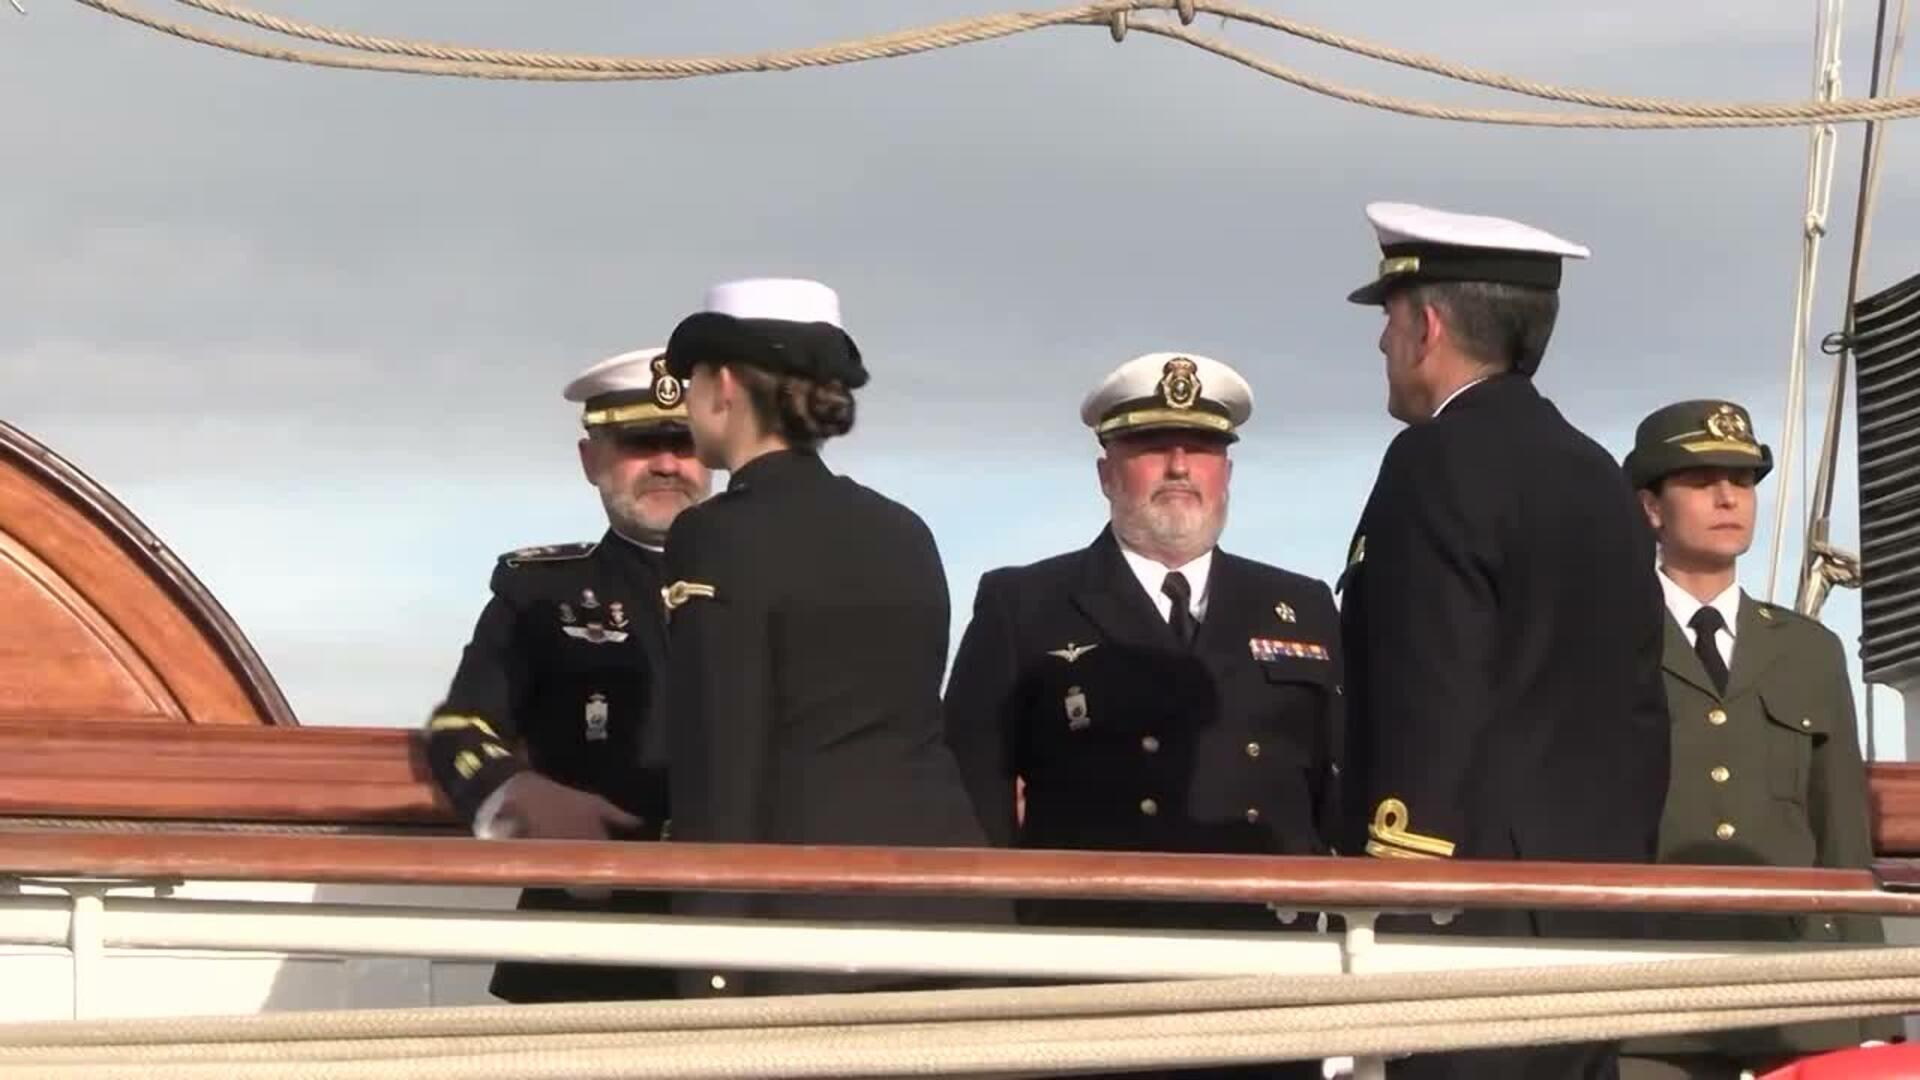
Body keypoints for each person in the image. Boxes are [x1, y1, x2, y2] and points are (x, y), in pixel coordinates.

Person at [1338, 202, 1670, 1080]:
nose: (1381, 345)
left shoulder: (1433, 463)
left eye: (1389, 320)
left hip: (1469, 915)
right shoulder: (1599, 474)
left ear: (1428, 327)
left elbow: (1429, 690)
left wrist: (1399, 881)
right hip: (1597, 912)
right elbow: (1640, 708)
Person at [942, 350, 1340, 1080]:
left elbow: (1335, 779)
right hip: (1094, 975)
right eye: (1153, 448)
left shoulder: (1302, 604)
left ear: (1229, 472)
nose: (1180, 467)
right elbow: (975, 793)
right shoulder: (1024, 605)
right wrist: (999, 955)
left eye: (1204, 450)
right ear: (1105, 473)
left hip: (1269, 978)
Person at [657, 277, 1009, 999]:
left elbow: (722, 762)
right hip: (951, 915)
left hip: (808, 931)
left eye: (690, 381)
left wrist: (709, 971)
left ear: (724, 385)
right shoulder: (902, 528)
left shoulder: (717, 534)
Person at [423, 345, 711, 1003]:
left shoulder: (781, 587)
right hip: (590, 938)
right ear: (592, 460)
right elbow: (460, 729)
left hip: (760, 936)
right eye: (640, 442)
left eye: (684, 441)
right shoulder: (543, 593)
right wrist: (519, 794)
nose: (666, 463)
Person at [1618, 399, 1894, 1079]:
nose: (1725, 497)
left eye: (1741, 482)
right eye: (1699, 479)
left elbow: (1842, 837)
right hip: (1652, 988)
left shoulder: (1809, 650)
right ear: (1650, 507)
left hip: (1797, 987)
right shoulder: (1606, 640)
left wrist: (1876, 1010)